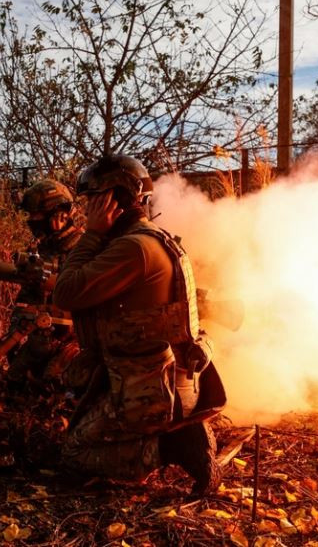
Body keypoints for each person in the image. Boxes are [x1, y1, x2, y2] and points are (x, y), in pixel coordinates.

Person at [52, 154, 226, 494]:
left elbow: (66, 292)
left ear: (112, 199)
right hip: (165, 383)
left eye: (92, 200)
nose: (86, 209)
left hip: (151, 392)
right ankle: (177, 432)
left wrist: (92, 234)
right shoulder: (152, 238)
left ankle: (173, 446)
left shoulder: (133, 248)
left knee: (74, 453)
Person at [6, 179, 83, 386]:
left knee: (53, 384)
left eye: (36, 215)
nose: (32, 220)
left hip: (73, 343)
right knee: (13, 378)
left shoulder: (83, 250)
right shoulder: (43, 248)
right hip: (41, 338)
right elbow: (27, 299)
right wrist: (14, 331)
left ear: (60, 216)